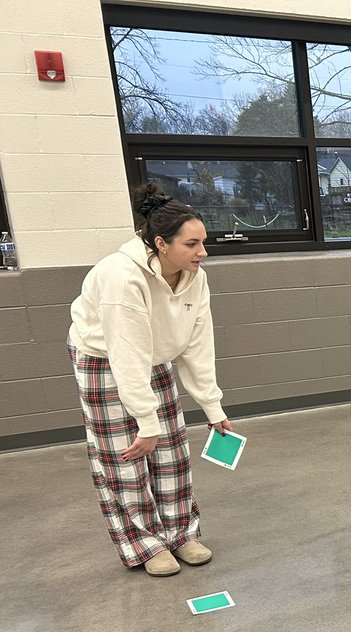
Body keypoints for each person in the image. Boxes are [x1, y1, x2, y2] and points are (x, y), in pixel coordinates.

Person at [68, 183, 231, 577]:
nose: (202, 252)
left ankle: (179, 534)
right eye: (192, 244)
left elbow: (196, 344)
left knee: (171, 450)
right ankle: (143, 543)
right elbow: (126, 354)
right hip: (104, 361)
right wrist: (145, 421)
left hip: (154, 358)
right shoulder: (122, 277)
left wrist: (212, 406)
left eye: (203, 242)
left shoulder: (196, 278)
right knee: (127, 456)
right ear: (161, 243)